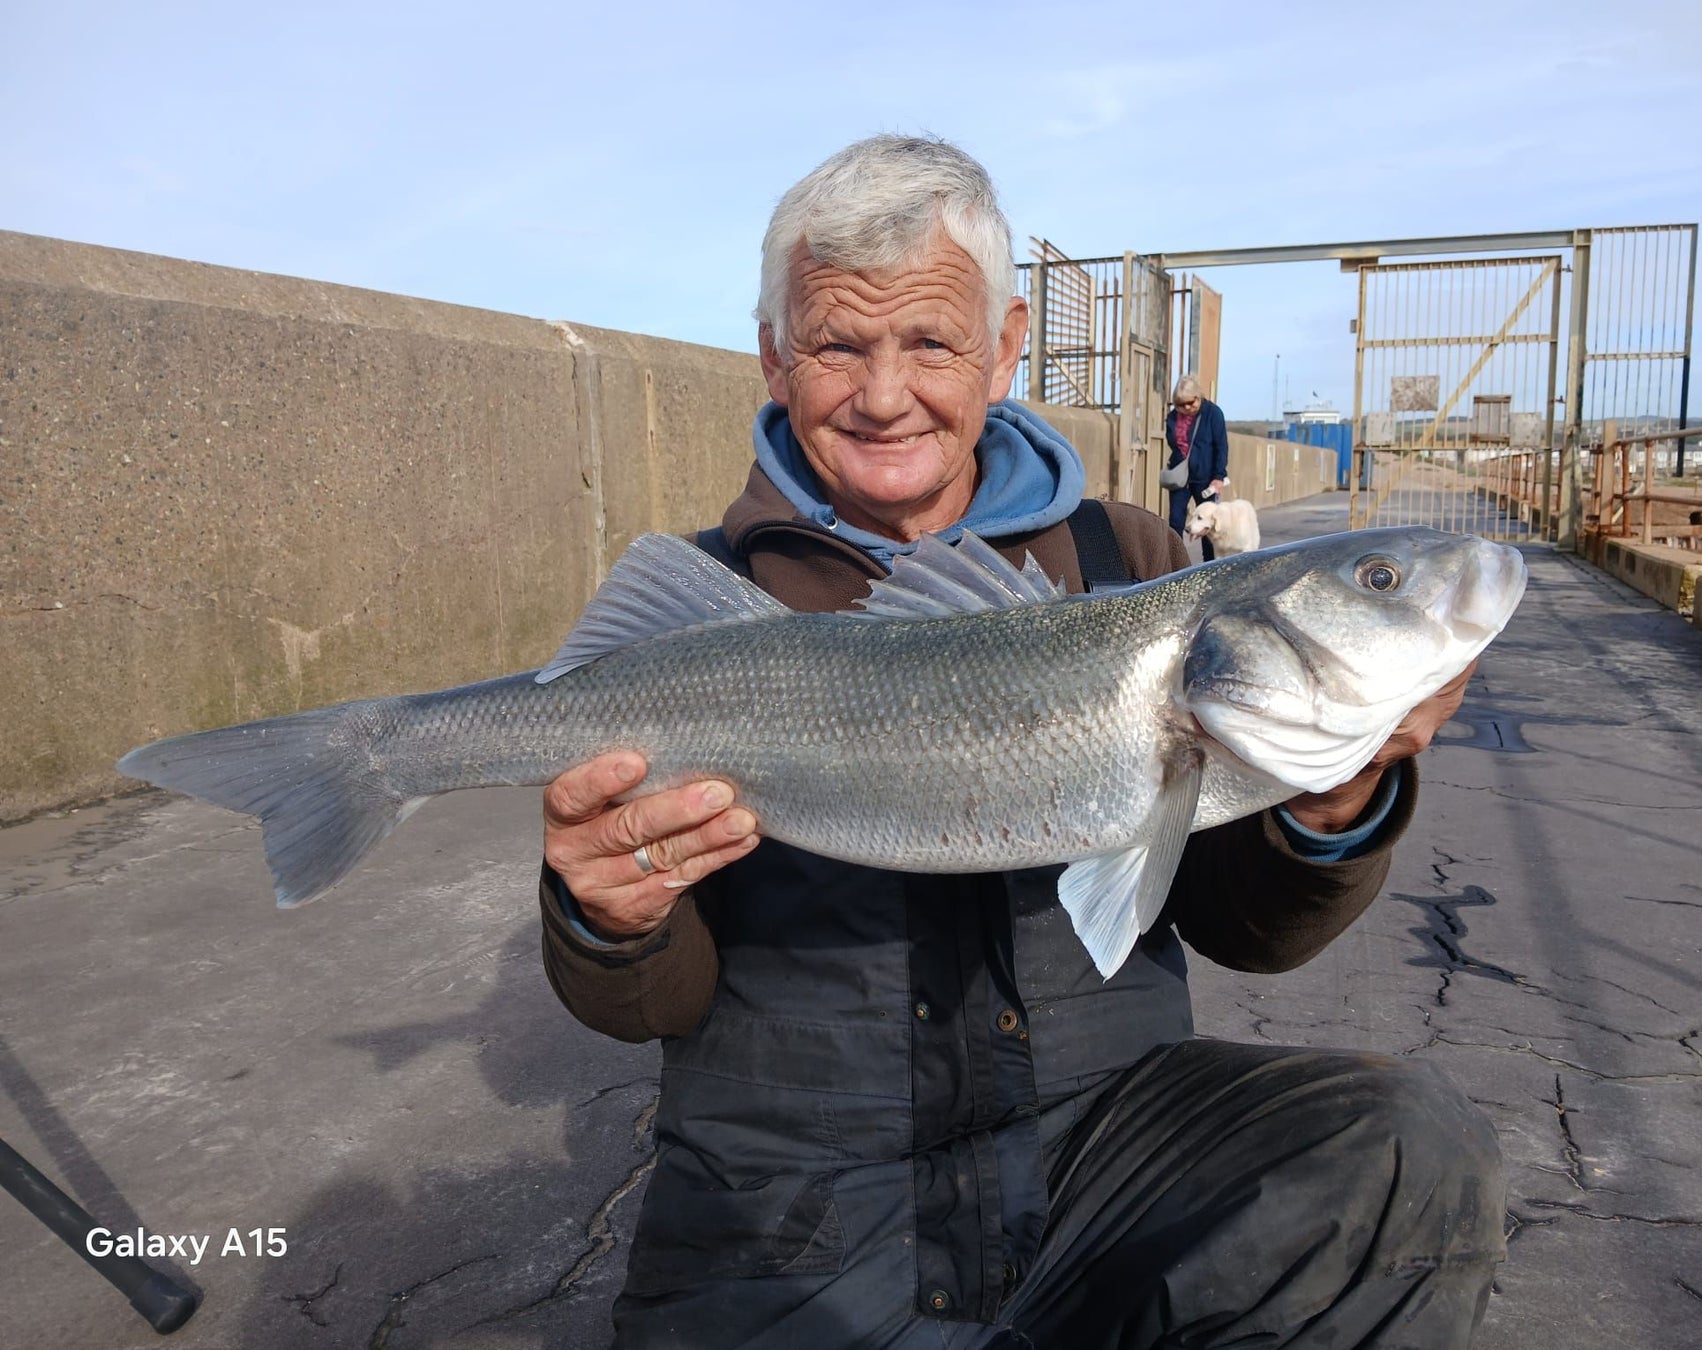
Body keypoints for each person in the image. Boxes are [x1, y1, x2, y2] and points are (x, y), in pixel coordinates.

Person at [537, 135, 1504, 1349]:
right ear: (775, 359)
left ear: (1002, 351)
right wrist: (607, 916)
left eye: (932, 343)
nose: (884, 394)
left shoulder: (1137, 568)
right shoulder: (710, 606)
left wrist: (1329, 806)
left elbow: (1247, 934)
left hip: (1112, 1152)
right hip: (791, 1196)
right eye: (838, 344)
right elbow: (645, 1006)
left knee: (1406, 1153)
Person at [1164, 374, 1230, 556]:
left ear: (1198, 397)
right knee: (1175, 522)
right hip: (1182, 479)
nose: (1186, 408)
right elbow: (1174, 444)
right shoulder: (1172, 418)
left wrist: (1218, 477)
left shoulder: (1213, 414)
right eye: (1180, 404)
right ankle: (1174, 564)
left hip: (1206, 479)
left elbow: (1221, 446)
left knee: (1207, 525)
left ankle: (1210, 565)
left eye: (1190, 402)